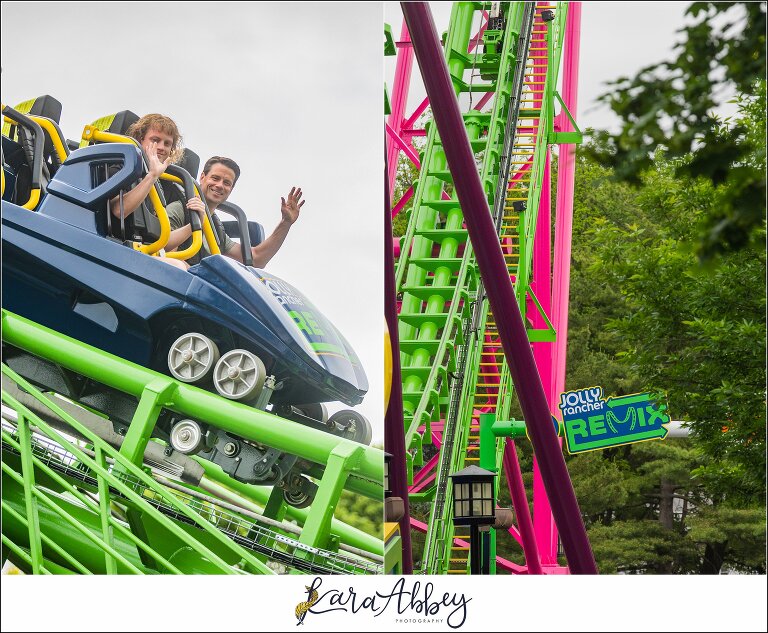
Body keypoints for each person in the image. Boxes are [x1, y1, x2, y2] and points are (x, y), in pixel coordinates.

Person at [165, 156, 304, 268]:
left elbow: (256, 259)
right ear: (202, 177)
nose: (219, 185)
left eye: (227, 183)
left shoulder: (216, 230)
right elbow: (168, 256)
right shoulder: (180, 209)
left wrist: (285, 223)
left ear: (231, 189)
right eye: (215, 178)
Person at [110, 113, 197, 271]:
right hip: (115, 248)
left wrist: (194, 225)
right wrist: (152, 176)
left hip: (143, 251)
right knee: (178, 267)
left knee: (192, 270)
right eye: (155, 140)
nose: (162, 147)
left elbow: (161, 240)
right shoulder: (121, 167)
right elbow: (118, 211)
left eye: (167, 143)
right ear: (140, 138)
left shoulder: (160, 185)